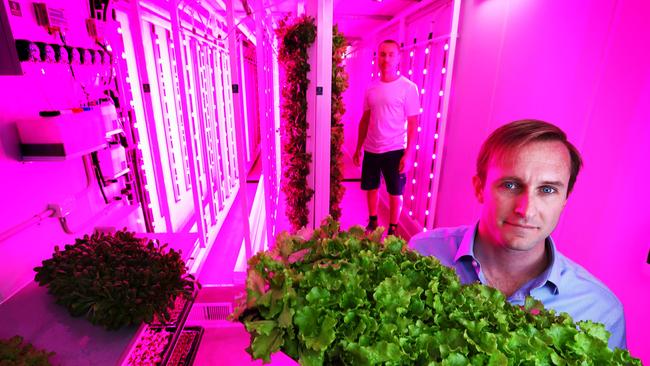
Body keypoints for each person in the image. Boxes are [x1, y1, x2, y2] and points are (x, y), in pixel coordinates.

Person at [409, 120, 626, 350]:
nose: (526, 209)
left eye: (547, 190)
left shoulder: (602, 312)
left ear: (564, 200)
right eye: (510, 185)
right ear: (479, 188)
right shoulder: (422, 253)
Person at [353, 39, 420, 236]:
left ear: (398, 58)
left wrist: (408, 155)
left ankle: (393, 228)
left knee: (395, 191)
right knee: (371, 187)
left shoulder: (408, 88)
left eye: (391, 54)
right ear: (377, 57)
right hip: (372, 148)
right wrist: (358, 147)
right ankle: (373, 222)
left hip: (395, 149)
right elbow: (365, 120)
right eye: (382, 54)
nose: (386, 59)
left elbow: (413, 124)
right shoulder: (371, 88)